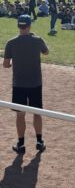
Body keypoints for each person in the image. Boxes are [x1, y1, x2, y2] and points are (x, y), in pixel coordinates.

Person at [3, 15, 49, 154]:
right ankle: (39, 141)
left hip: (19, 84)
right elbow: (46, 52)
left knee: (20, 114)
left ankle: (21, 144)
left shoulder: (11, 43)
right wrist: (35, 37)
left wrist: (13, 63)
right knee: (37, 113)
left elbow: (5, 64)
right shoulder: (38, 40)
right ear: (29, 26)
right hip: (35, 83)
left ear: (18, 26)